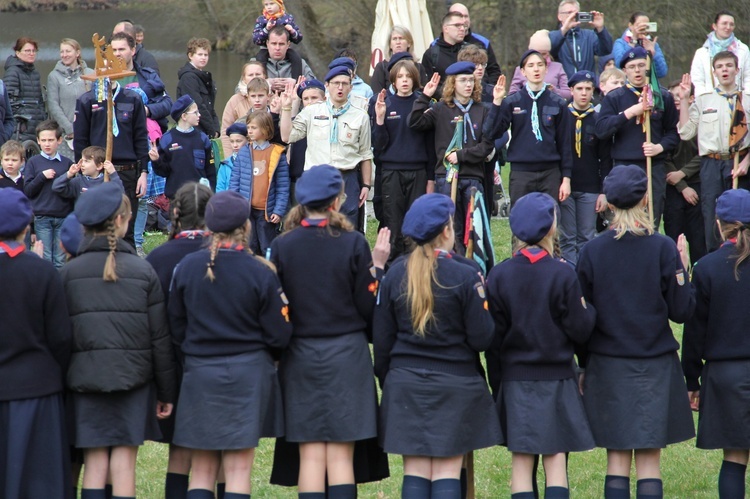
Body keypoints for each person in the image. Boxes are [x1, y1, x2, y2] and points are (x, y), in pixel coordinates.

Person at [268, 165, 389, 499]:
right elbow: (367, 308)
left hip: (300, 356)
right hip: (347, 356)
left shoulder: (283, 246)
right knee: (339, 455)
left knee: (309, 455)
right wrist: (377, 268)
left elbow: (279, 308)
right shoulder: (353, 243)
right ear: (336, 201)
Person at [576, 165, 695, 499]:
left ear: (609, 203)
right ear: (646, 198)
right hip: (654, 364)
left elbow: (583, 320)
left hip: (608, 363)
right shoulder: (661, 247)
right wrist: (683, 269)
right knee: (648, 461)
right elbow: (681, 311)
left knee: (616, 459)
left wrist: (585, 364)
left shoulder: (591, 251)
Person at [374, 193, 501, 499]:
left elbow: (381, 342)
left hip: (405, 384)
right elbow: (482, 339)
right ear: (447, 231)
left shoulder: (394, 274)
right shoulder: (467, 274)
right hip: (455, 385)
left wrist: (388, 381)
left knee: (415, 472)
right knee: (446, 472)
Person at [168, 190, 291, 499]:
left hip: (200, 372)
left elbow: (176, 326)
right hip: (248, 373)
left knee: (203, 470)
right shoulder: (260, 271)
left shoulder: (186, 266)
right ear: (246, 227)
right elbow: (279, 333)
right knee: (237, 471)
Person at [60, 182, 176, 499]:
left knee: (95, 463)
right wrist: (167, 391)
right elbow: (159, 338)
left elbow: (60, 336)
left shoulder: (68, 274)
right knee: (124, 465)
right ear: (124, 221)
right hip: (134, 382)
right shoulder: (143, 270)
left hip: (85, 381)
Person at [487, 192, 596, 498]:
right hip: (558, 379)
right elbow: (581, 328)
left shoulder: (500, 275)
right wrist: (591, 310)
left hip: (515, 379)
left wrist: (498, 385)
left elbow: (493, 342)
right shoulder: (563, 273)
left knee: (521, 462)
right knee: (556, 459)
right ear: (551, 229)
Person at [0, 188, 72, 499]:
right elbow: (61, 337)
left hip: (31, 387)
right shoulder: (42, 271)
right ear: (27, 227)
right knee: (37, 482)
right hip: (36, 389)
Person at [143, 182, 211, 498]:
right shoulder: (220, 253)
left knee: (180, 450)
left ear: (175, 213)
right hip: (212, 358)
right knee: (218, 453)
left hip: (170, 360)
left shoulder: (157, 257)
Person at [682, 188, 750, 499]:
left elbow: (695, 330)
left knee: (734, 459)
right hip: (731, 372)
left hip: (726, 376)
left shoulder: (707, 267)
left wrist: (691, 378)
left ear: (719, 224)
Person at [409, 61, 495, 254]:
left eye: (471, 80)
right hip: (446, 177)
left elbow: (486, 146)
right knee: (450, 227)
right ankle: (453, 264)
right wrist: (424, 96)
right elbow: (415, 123)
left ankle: (474, 267)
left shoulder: (482, 110)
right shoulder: (440, 109)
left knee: (473, 229)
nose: (468, 85)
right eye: (463, 80)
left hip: (473, 178)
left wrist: (462, 155)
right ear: (453, 84)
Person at [595, 45, 679, 228]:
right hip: (624, 167)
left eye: (641, 65)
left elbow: (673, 133)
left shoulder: (662, 97)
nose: (637, 71)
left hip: (652, 167)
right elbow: (601, 130)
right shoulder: (615, 98)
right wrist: (630, 112)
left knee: (651, 221)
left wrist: (660, 147)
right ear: (624, 71)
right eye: (632, 67)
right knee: (624, 223)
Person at [280, 65, 373, 228]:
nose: (340, 87)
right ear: (327, 86)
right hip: (317, 176)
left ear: (351, 87)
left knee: (347, 226)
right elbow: (287, 136)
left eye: (345, 84)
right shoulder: (312, 112)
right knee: (316, 226)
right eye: (336, 83)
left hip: (347, 177)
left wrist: (365, 185)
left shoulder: (360, 116)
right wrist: (286, 108)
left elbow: (365, 154)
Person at [677, 51, 750, 251]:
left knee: (742, 213)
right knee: (712, 213)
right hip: (711, 164)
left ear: (737, 70)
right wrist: (684, 100)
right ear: (714, 72)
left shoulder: (747, 99)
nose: (724, 70)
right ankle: (716, 260)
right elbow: (685, 132)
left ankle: (743, 258)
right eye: (720, 67)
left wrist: (746, 162)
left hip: (739, 162)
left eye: (728, 66)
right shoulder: (704, 100)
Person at [74, 65, 150, 247]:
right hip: (97, 172)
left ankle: (127, 268)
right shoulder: (87, 100)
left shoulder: (133, 99)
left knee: (126, 225)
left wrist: (144, 172)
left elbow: (141, 137)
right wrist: (84, 169)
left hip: (126, 172)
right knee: (98, 223)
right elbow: (80, 140)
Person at [484, 50, 573, 208]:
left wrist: (566, 179)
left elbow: (565, 143)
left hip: (550, 172)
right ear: (523, 72)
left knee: (550, 223)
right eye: (531, 66)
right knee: (521, 222)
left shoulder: (558, 103)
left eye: (540, 65)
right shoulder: (512, 102)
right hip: (521, 173)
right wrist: (497, 102)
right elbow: (491, 132)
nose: (536, 69)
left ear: (546, 69)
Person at [372, 58, 433, 262]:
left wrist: (430, 179)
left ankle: (416, 268)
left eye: (408, 76)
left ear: (414, 79)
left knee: (415, 224)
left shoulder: (423, 104)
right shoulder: (385, 104)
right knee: (393, 225)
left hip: (418, 172)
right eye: (400, 77)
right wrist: (380, 119)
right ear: (393, 80)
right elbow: (378, 147)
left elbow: (430, 146)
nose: (404, 80)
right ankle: (391, 271)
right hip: (392, 173)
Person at [560, 71, 610, 264]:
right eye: (579, 88)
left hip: (590, 187)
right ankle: (570, 278)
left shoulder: (598, 120)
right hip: (566, 185)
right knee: (567, 237)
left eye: (588, 89)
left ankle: (585, 278)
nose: (583, 93)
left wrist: (603, 192)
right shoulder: (562, 117)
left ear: (593, 91)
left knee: (587, 237)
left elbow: (605, 158)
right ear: (571, 90)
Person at [228, 111, 289, 256]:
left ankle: (268, 272)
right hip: (247, 209)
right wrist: (235, 206)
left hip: (266, 212)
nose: (249, 131)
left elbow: (282, 186)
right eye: (248, 127)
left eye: (254, 127)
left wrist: (278, 210)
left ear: (266, 129)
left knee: (267, 245)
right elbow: (235, 181)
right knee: (250, 245)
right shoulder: (244, 152)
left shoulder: (276, 153)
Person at [663, 80, 706, 265]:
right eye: (674, 97)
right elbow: (663, 157)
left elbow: (705, 152)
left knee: (698, 240)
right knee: (673, 239)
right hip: (673, 187)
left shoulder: (700, 123)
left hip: (697, 185)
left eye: (683, 96)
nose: (678, 100)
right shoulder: (665, 125)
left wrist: (683, 174)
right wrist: (681, 185)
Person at [23, 120, 74, 268]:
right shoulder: (33, 162)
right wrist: (41, 177)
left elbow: (71, 191)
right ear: (38, 141)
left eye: (51, 140)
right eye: (43, 140)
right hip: (42, 216)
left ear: (59, 140)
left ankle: (58, 289)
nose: (47, 144)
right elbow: (28, 191)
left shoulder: (67, 163)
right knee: (45, 258)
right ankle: (45, 289)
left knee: (60, 258)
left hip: (63, 216)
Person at [149, 95, 216, 199]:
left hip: (199, 198)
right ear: (184, 116)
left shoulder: (202, 139)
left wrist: (211, 194)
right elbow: (163, 172)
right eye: (195, 112)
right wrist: (156, 160)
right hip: (176, 199)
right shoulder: (167, 139)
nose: (199, 115)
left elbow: (210, 171)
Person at [108, 32, 172, 132]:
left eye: (121, 49)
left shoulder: (148, 76)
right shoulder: (103, 80)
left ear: (133, 50)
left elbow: (167, 104)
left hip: (144, 134)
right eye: (114, 50)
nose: (117, 54)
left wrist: (147, 110)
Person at [47, 38, 94, 160]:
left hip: (89, 131)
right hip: (66, 133)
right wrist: (69, 129)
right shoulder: (54, 76)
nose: (64, 55)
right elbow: (53, 105)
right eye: (62, 52)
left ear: (77, 53)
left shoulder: (90, 73)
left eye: (68, 51)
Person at [691, 10, 750, 96]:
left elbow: (748, 76)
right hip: (710, 103)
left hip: (738, 101)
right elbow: (697, 80)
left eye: (731, 24)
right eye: (724, 23)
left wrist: (746, 97)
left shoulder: (743, 50)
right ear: (715, 26)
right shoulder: (702, 53)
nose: (728, 27)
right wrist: (704, 99)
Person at [549, 0, 612, 78]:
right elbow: (550, 52)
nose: (572, 16)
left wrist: (600, 29)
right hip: (564, 87)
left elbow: (606, 50)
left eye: (575, 14)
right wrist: (564, 29)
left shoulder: (589, 35)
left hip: (586, 85)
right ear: (559, 16)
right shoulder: (553, 36)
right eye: (569, 13)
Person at [446, 3, 503, 85]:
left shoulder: (483, 42)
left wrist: (487, 91)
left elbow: (494, 71)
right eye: (459, 16)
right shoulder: (436, 47)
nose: (463, 20)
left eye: (466, 16)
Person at [4, 37, 47, 142]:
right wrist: (22, 116)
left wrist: (42, 116)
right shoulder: (13, 72)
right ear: (18, 53)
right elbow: (8, 101)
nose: (31, 53)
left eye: (33, 51)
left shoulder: (35, 73)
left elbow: (40, 100)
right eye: (27, 51)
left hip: (36, 124)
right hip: (20, 125)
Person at [220, 61, 267, 156]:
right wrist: (229, 160)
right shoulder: (234, 101)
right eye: (250, 75)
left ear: (264, 76)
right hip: (243, 155)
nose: (254, 77)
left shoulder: (274, 99)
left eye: (258, 74)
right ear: (243, 78)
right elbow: (226, 133)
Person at [176, 38, 220, 139]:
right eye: (200, 54)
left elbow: (210, 107)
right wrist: (211, 130)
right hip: (193, 131)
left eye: (206, 55)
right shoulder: (188, 78)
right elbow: (198, 106)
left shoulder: (204, 77)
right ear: (190, 56)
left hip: (205, 132)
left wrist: (216, 129)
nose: (203, 58)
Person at [420, 12, 470, 99]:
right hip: (441, 105)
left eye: (464, 26)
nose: (462, 29)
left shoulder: (470, 51)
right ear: (446, 28)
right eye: (457, 25)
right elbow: (426, 84)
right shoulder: (432, 54)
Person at [509, 30, 571, 99]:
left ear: (548, 53)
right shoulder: (521, 69)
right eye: (537, 53)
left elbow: (568, 94)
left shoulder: (558, 67)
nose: (540, 57)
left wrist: (554, 90)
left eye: (544, 54)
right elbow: (512, 94)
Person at [256, 26, 315, 94]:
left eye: (281, 44)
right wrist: (265, 84)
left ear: (288, 44)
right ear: (267, 43)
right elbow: (242, 90)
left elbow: (315, 88)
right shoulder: (254, 64)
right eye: (274, 44)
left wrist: (296, 84)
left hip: (293, 103)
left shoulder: (301, 63)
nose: (277, 48)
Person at [370, 26, 429, 95]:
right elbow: (377, 94)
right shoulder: (381, 67)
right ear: (390, 45)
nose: (398, 42)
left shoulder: (418, 67)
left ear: (409, 43)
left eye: (401, 38)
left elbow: (423, 91)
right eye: (394, 39)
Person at [52, 145, 123, 199]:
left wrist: (113, 174)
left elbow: (121, 195)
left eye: (86, 161)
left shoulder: (107, 181)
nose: (82, 164)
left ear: (99, 166)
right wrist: (69, 174)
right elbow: (57, 187)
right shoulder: (79, 181)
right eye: (82, 160)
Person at [611, 12, 668, 79]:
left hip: (648, 85)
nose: (642, 28)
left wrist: (653, 55)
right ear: (630, 25)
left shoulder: (653, 44)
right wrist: (633, 40)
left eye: (646, 25)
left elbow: (662, 72)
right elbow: (619, 66)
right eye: (639, 25)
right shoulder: (621, 43)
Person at [217, 122, 248, 192]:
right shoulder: (225, 165)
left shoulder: (252, 161)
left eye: (239, 141)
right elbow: (220, 188)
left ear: (247, 140)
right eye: (232, 141)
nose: (235, 145)